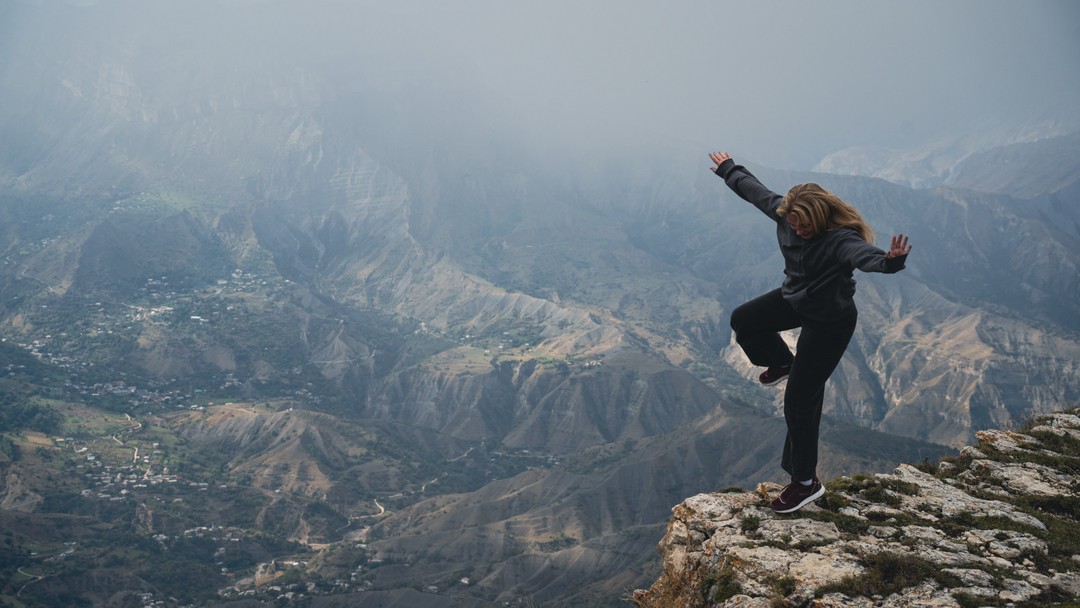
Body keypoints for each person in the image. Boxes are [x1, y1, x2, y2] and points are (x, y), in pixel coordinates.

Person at [708, 151, 912, 514]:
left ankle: (805, 482)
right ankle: (781, 362)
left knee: (800, 401)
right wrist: (728, 169)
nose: (798, 232)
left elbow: (866, 256)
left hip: (830, 322)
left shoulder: (839, 239)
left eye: (805, 227)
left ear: (820, 219)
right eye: (794, 225)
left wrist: (890, 262)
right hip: (795, 299)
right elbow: (754, 191)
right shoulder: (785, 215)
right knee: (744, 319)